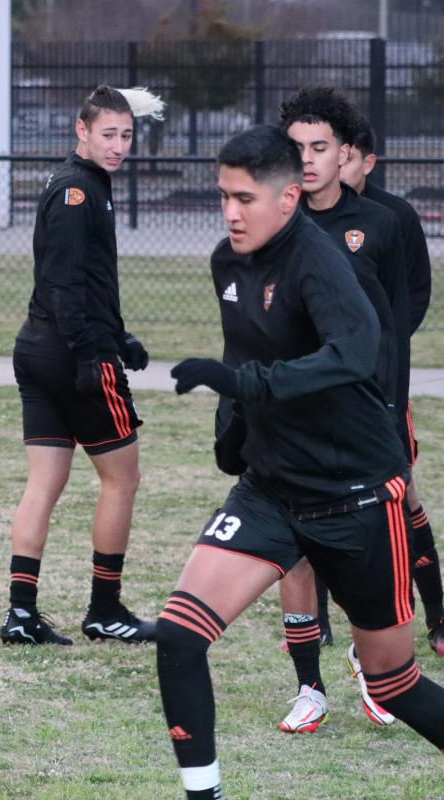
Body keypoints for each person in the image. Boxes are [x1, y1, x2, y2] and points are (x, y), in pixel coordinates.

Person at [158, 124, 444, 800]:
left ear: (288, 199)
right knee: (178, 635)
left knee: (393, 683)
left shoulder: (320, 263)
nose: (231, 212)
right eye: (222, 196)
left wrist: (246, 389)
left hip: (357, 500)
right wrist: (232, 432)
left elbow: (352, 351)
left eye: (245, 198)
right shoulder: (228, 263)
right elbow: (242, 357)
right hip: (272, 492)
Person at [0, 86, 165, 646]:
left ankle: (21, 614)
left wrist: (120, 336)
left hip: (40, 348)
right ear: (82, 131)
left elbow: (84, 279)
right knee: (123, 479)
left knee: (44, 481)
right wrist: (95, 353)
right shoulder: (77, 190)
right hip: (70, 357)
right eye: (108, 134)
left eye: (126, 135)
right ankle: (105, 610)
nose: (118, 145)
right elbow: (64, 282)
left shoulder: (83, 182)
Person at [271, 86, 413, 731]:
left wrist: (387, 409)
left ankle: (374, 664)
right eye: (295, 147)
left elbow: (399, 323)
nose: (305, 158)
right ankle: (309, 688)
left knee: (362, 549)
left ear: (345, 153)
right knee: (295, 550)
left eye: (319, 147)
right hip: (294, 421)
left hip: (365, 420)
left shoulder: (382, 223)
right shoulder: (271, 221)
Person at [340, 113, 444, 661]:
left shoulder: (393, 216)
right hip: (328, 392)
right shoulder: (304, 213)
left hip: (381, 389)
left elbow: (413, 298)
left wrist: (381, 355)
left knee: (401, 499)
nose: (334, 163)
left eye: (346, 155)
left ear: (366, 161)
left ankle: (436, 612)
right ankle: (317, 623)